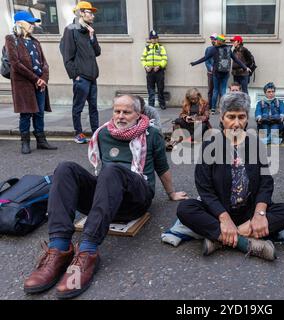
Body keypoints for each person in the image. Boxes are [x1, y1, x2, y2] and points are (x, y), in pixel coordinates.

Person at [23, 95, 188, 299]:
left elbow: (162, 168)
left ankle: (88, 251)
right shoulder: (103, 133)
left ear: (138, 114)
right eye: (117, 111)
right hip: (109, 196)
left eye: (126, 112)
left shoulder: (152, 134)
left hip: (136, 198)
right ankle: (59, 248)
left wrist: (171, 193)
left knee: (112, 171)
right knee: (66, 168)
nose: (120, 116)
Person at [177, 92, 284, 261]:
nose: (236, 123)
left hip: (249, 211)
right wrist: (224, 219)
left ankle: (219, 239)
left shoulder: (255, 144)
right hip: (219, 212)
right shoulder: (210, 146)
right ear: (222, 118)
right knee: (185, 209)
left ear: (247, 118)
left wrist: (260, 214)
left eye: (242, 117)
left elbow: (266, 183)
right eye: (231, 117)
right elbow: (205, 188)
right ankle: (249, 243)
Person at [6, 11, 57, 154]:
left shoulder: (35, 41)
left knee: (39, 113)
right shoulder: (11, 39)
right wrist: (36, 79)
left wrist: (43, 79)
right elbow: (15, 64)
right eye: (30, 23)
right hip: (24, 85)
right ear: (19, 23)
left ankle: (41, 141)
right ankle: (25, 142)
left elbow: (44, 63)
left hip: (39, 84)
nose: (33, 26)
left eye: (33, 23)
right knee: (26, 114)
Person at [60, 1, 101, 144]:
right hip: (81, 77)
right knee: (78, 107)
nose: (92, 16)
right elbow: (67, 56)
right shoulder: (71, 29)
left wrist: (92, 37)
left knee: (94, 107)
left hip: (92, 76)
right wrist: (75, 75)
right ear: (81, 13)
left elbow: (97, 52)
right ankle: (78, 133)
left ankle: (96, 133)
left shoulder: (90, 30)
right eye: (90, 12)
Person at [190, 34, 251, 114]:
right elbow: (236, 60)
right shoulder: (228, 49)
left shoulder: (213, 49)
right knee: (223, 90)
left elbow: (205, 58)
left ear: (218, 41)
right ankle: (223, 108)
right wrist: (245, 67)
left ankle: (213, 109)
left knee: (215, 90)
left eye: (216, 40)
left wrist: (194, 63)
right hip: (225, 73)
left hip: (216, 73)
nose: (214, 41)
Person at [141, 30, 167, 110]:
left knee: (160, 88)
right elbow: (143, 58)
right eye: (152, 38)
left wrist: (159, 66)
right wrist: (146, 67)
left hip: (159, 71)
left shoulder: (161, 47)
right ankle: (151, 105)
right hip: (150, 71)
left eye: (156, 38)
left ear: (158, 39)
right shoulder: (147, 48)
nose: (154, 40)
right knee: (150, 89)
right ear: (150, 39)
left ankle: (162, 103)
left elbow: (164, 59)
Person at [205, 34, 217, 106]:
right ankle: (210, 105)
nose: (212, 40)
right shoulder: (208, 49)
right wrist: (210, 68)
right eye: (212, 39)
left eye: (214, 39)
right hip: (210, 73)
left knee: (218, 90)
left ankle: (218, 106)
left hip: (219, 73)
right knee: (210, 90)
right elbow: (206, 61)